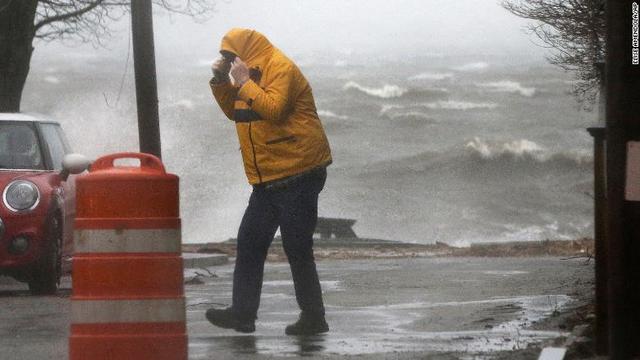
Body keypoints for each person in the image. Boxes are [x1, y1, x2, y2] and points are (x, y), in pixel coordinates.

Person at [206, 28, 333, 336]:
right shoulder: (249, 74)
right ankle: (242, 314)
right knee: (250, 242)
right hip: (268, 177)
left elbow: (274, 110)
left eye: (230, 55)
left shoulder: (280, 67)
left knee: (296, 246)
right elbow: (237, 112)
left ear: (245, 51)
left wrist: (245, 81)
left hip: (299, 171)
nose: (229, 60)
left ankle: (314, 317)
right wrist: (222, 81)